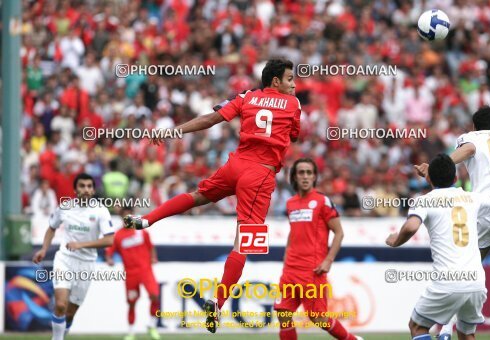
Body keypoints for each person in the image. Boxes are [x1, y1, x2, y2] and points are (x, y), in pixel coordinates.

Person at [123, 58, 301, 333]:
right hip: (259, 175)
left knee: (198, 196)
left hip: (235, 164)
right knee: (244, 243)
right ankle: (217, 305)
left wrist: (175, 130)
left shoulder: (247, 96)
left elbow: (210, 119)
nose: (294, 84)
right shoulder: (294, 104)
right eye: (290, 79)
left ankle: (148, 219)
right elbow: (295, 135)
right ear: (276, 81)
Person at [387, 154, 490, 340]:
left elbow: (411, 226)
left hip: (447, 280)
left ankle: (444, 332)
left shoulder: (424, 200)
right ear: (455, 178)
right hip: (476, 281)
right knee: (467, 334)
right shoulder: (473, 198)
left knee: (417, 327)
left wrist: (395, 240)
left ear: (429, 179)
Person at [415, 106, 490, 335]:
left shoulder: (471, 137)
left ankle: (446, 327)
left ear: (475, 126)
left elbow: (467, 151)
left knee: (469, 266)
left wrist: (437, 167)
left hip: (488, 208)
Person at [274, 158, 363, 340]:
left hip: (312, 270)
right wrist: (285, 260)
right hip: (290, 270)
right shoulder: (290, 203)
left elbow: (339, 233)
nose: (305, 176)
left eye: (309, 172)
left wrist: (328, 260)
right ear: (295, 177)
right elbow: (294, 232)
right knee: (283, 313)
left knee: (319, 318)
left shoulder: (322, 202)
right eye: (301, 172)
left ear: (315, 176)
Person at [32, 173, 114, 340]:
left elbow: (109, 239)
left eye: (89, 186)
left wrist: (81, 245)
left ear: (93, 190)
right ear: (75, 189)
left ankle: (62, 333)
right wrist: (43, 249)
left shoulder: (101, 211)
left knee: (70, 313)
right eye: (82, 186)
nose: (86, 189)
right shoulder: (65, 207)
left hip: (87, 264)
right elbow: (51, 228)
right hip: (65, 259)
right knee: (61, 305)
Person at [105, 207, 160, 340]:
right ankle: (131, 332)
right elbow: (109, 252)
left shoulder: (141, 232)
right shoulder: (117, 235)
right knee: (132, 302)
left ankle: (152, 325)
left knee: (154, 295)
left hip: (146, 270)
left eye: (130, 216)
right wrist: (109, 259)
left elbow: (150, 246)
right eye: (125, 217)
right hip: (131, 274)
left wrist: (153, 257)